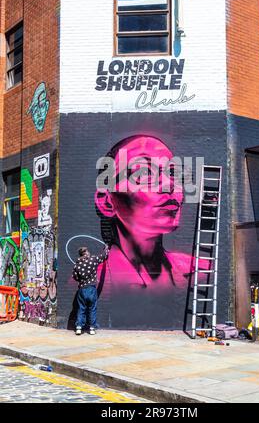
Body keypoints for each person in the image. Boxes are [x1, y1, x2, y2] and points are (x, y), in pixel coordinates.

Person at [94, 135, 210, 323]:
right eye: (143, 174)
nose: (169, 185)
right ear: (106, 201)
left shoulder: (202, 271)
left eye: (173, 173)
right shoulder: (96, 277)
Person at [72, 246, 108, 335]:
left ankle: (79, 327)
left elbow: (75, 277)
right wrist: (106, 249)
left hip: (82, 289)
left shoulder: (77, 264)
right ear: (86, 253)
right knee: (92, 308)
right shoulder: (92, 260)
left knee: (81, 308)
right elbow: (103, 256)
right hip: (91, 288)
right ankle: (92, 328)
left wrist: (82, 280)